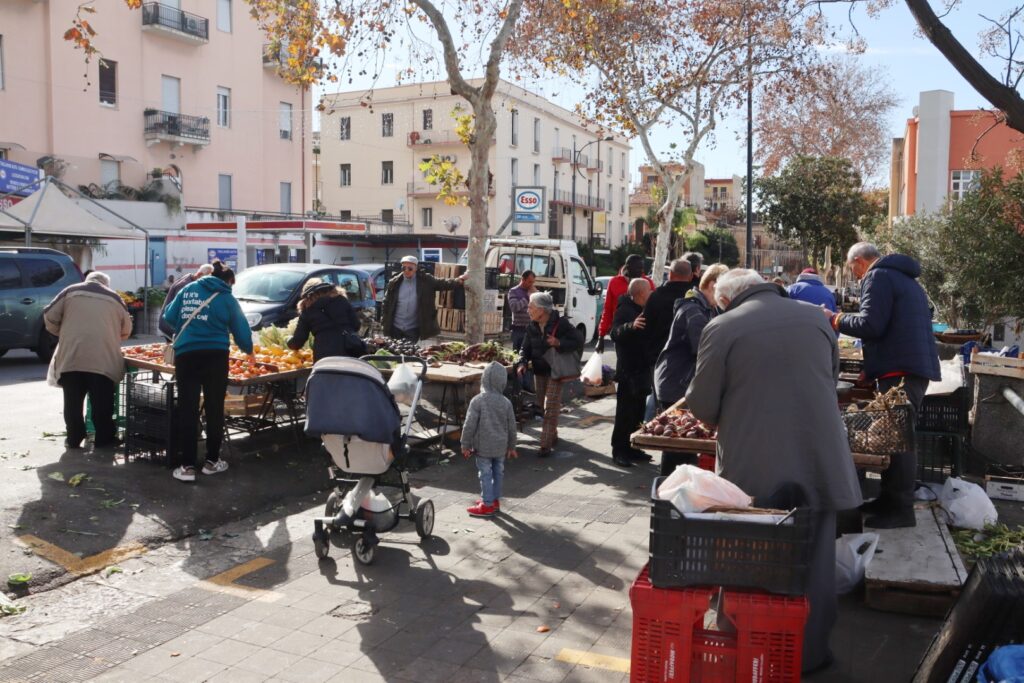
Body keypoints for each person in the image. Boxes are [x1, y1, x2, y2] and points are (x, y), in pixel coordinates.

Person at [685, 268, 862, 674]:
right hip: (820, 457)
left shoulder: (723, 326)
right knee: (816, 558)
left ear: (726, 299)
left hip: (754, 460)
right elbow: (831, 377)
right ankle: (810, 654)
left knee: (748, 557)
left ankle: (749, 650)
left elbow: (703, 404)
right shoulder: (816, 317)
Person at [828, 242, 941, 529]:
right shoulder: (902, 278)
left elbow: (871, 325)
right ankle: (889, 500)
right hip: (907, 367)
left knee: (899, 440)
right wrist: (872, 367)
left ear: (860, 261)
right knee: (894, 438)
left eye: (853, 269)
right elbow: (892, 327)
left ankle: (901, 509)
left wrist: (835, 319)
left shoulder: (877, 277)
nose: (854, 276)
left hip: (901, 371)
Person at [163, 261, 254, 483]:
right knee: (214, 407)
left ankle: (187, 467)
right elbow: (242, 331)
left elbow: (168, 316)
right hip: (215, 356)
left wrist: (192, 328)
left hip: (186, 355)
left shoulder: (188, 289)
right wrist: (249, 350)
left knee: (188, 408)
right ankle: (212, 462)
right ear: (226, 281)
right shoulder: (226, 298)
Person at [652, 264, 728, 475]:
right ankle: (666, 497)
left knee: (684, 448)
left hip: (681, 381)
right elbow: (703, 347)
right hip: (675, 383)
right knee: (677, 446)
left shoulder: (707, 308)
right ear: (713, 285)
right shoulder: (693, 309)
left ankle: (676, 493)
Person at [43, 271, 132, 450]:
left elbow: (49, 315)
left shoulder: (69, 291)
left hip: (72, 357)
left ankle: (74, 438)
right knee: (102, 403)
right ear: (105, 284)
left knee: (72, 403)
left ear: (87, 280)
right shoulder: (115, 298)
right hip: (102, 360)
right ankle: (103, 439)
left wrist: (63, 332)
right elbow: (126, 330)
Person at [517, 292, 583, 457]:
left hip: (556, 371)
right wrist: (522, 362)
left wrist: (559, 343)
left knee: (550, 408)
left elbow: (578, 341)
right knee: (540, 405)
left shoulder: (561, 324)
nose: (528, 310)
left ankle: (545, 444)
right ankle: (552, 435)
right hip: (539, 371)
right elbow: (525, 348)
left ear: (541, 309)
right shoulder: (532, 326)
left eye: (531, 307)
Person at [461, 361, 519, 517]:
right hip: (501, 447)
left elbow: (469, 425)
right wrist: (512, 446)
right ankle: (494, 501)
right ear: (503, 381)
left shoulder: (478, 401)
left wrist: (465, 444)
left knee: (485, 474)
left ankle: (486, 505)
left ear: (484, 379)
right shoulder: (506, 402)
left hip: (483, 447)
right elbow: (512, 426)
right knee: (498, 472)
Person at [610, 278, 653, 468]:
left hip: (642, 369)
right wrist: (631, 326)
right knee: (625, 414)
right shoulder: (625, 309)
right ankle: (619, 450)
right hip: (629, 371)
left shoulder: (644, 308)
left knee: (638, 412)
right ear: (641, 294)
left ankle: (633, 447)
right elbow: (615, 333)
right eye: (649, 291)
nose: (651, 294)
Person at [381, 256, 467, 343]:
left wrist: (459, 280)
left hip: (412, 329)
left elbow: (443, 283)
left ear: (416, 268)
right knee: (393, 353)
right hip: (395, 327)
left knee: (408, 353)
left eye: (410, 268)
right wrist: (384, 323)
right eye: (404, 268)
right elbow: (386, 303)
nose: (406, 270)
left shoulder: (426, 280)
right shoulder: (394, 282)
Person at [287, 278, 361, 361]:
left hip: (324, 357)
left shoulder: (308, 310)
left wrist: (289, 340)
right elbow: (356, 325)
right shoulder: (342, 300)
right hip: (350, 351)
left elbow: (298, 341)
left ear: (307, 295)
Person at [595, 254, 655, 353]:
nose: (641, 271)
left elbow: (654, 308)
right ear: (627, 268)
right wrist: (601, 337)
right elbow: (608, 310)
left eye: (642, 268)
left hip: (642, 331)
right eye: (638, 268)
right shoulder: (614, 282)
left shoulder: (647, 283)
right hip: (621, 331)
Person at [643, 259, 694, 365]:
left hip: (659, 356)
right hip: (687, 358)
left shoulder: (656, 295)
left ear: (670, 274)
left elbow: (646, 325)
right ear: (691, 276)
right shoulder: (695, 297)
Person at [159, 262, 216, 339]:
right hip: (170, 326)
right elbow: (179, 312)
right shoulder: (184, 286)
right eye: (205, 280)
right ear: (199, 274)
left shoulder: (189, 278)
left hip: (173, 325)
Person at [506, 270, 537, 352]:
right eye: (529, 282)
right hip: (518, 330)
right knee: (518, 355)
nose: (531, 285)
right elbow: (514, 307)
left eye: (533, 282)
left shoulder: (532, 291)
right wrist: (527, 297)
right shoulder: (513, 291)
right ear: (523, 279)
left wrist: (536, 296)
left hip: (531, 329)